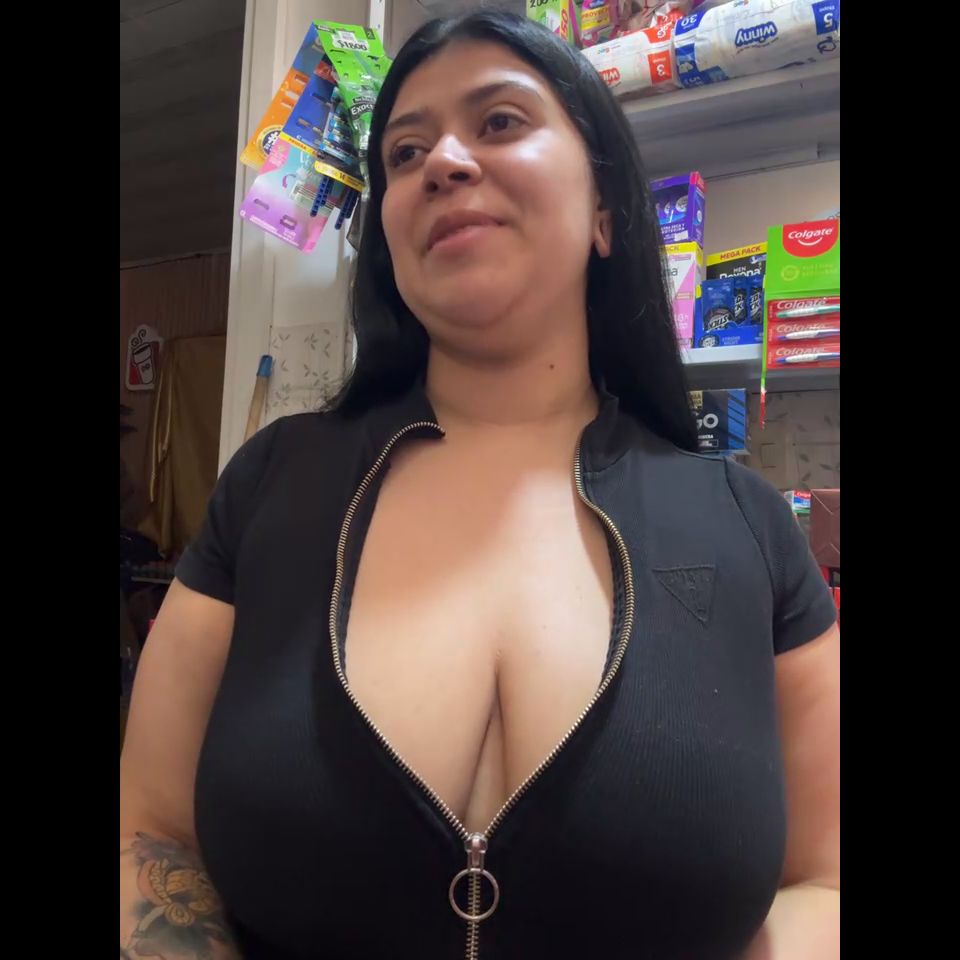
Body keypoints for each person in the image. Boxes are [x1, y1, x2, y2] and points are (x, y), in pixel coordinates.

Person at [120, 11, 839, 960]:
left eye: (500, 121)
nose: (444, 162)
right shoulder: (266, 487)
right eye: (405, 151)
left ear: (605, 211)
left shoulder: (751, 528)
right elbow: (150, 829)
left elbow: (827, 881)